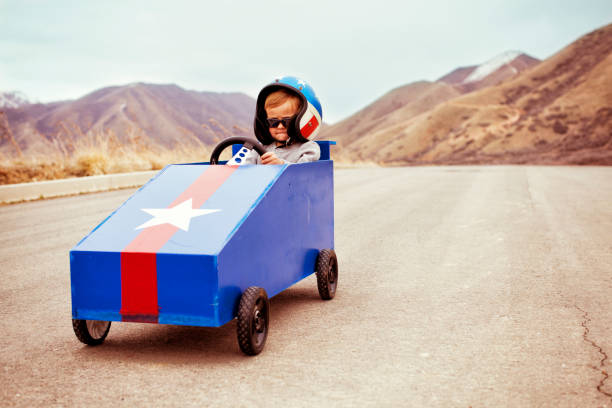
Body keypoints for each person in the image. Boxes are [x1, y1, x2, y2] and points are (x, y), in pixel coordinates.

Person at [244, 76, 323, 165]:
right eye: (273, 122)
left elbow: (303, 172)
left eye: (287, 121)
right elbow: (244, 169)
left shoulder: (308, 148)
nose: (280, 126)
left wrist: (281, 164)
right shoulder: (259, 148)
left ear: (304, 119)